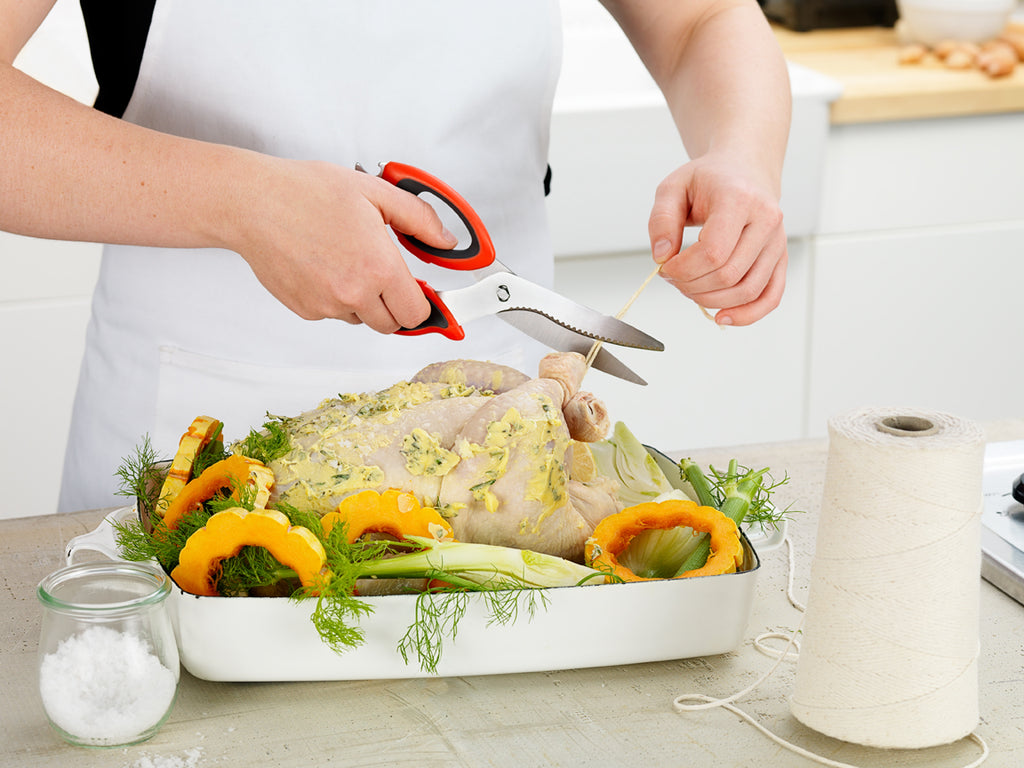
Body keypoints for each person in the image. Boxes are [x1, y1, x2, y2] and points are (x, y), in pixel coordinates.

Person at [0, 0, 791, 513]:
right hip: (191, 450)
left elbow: (702, 20)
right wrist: (241, 200)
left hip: (504, 448)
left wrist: (743, 154)